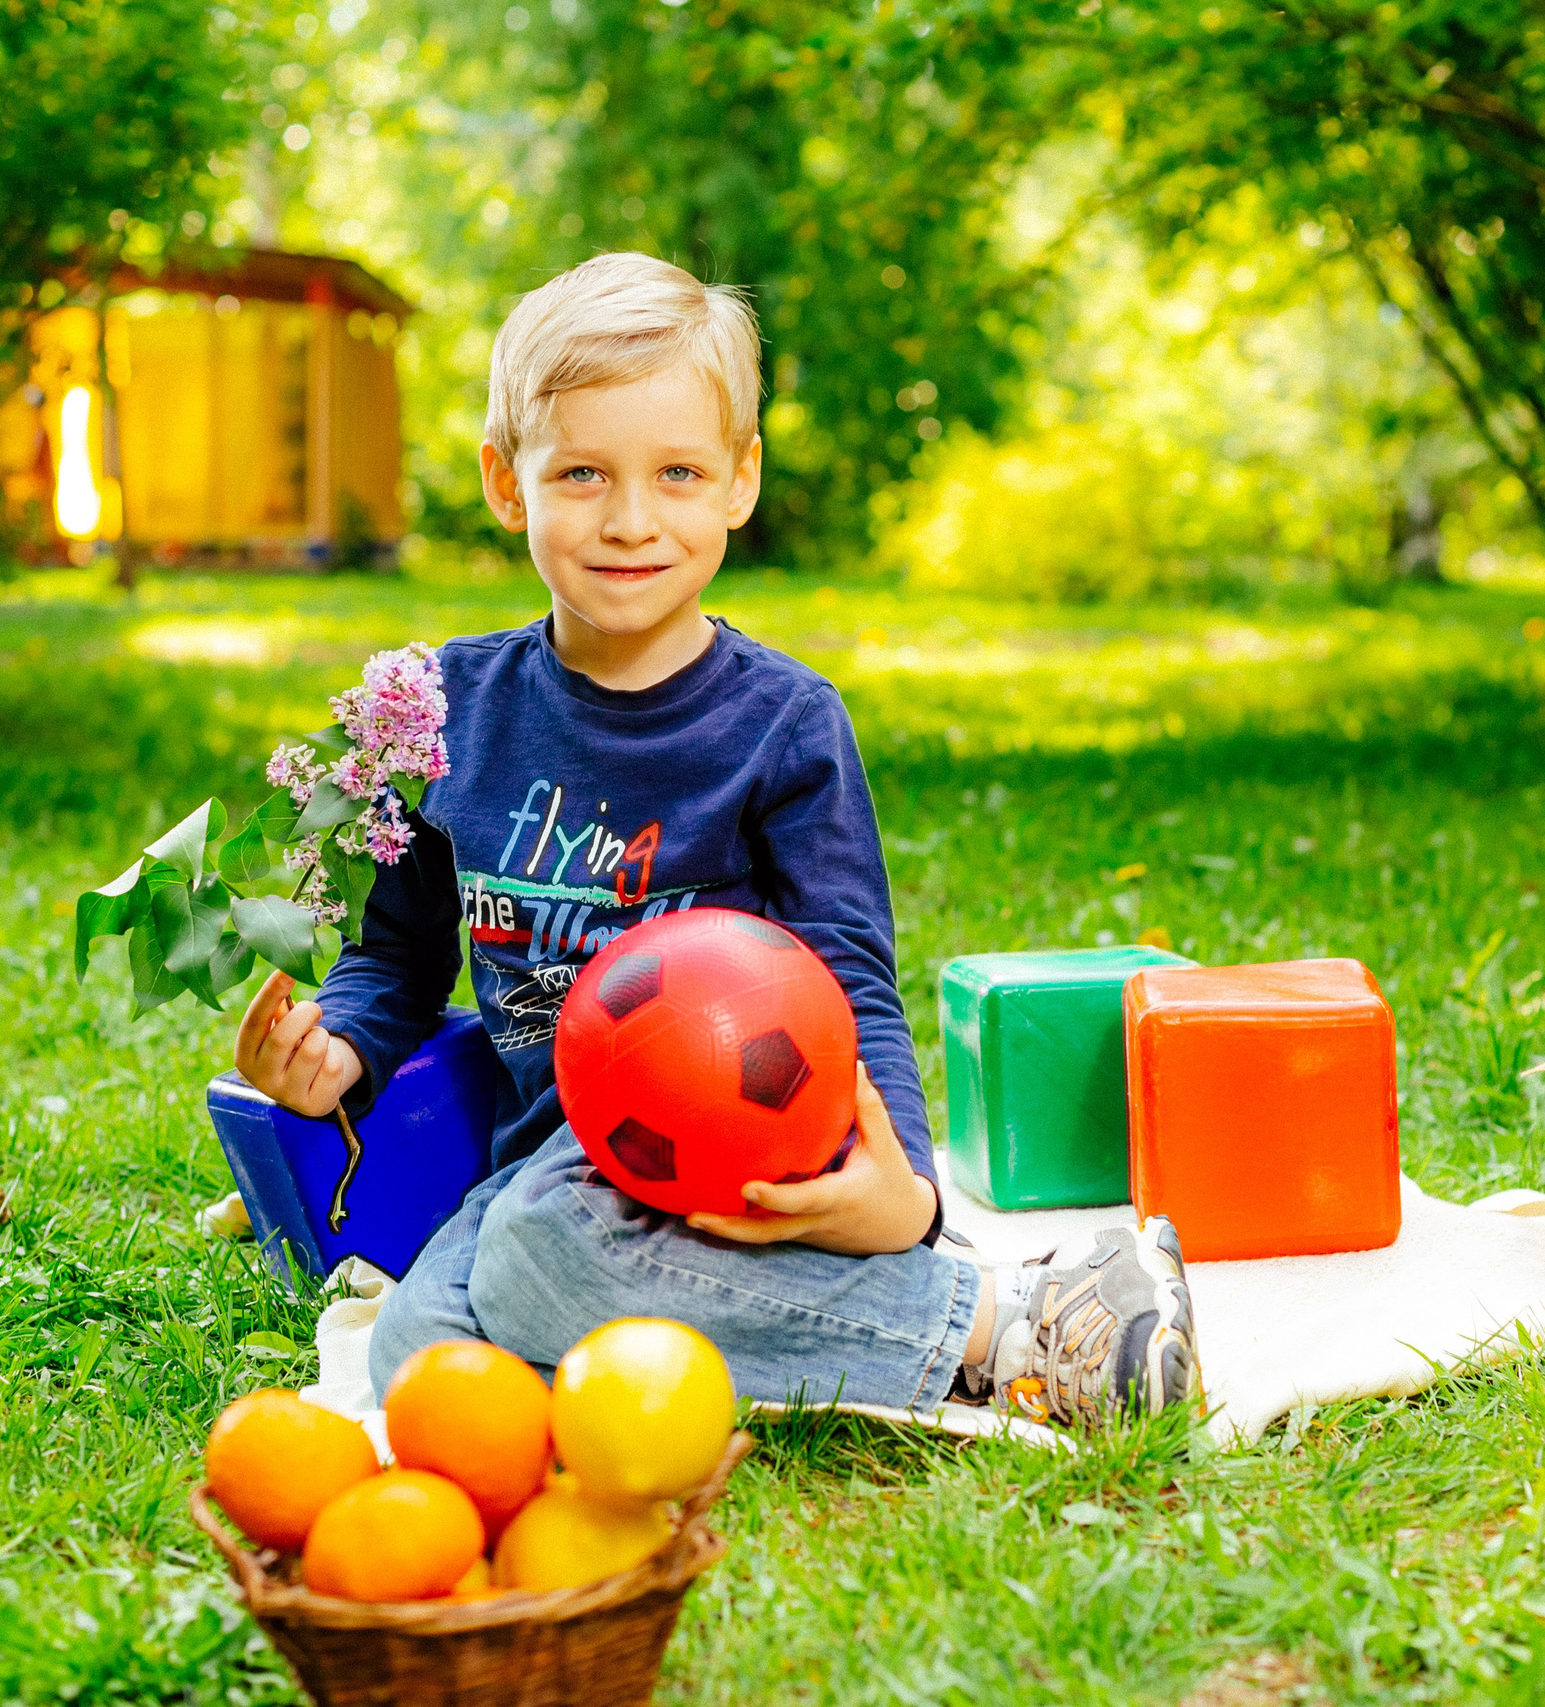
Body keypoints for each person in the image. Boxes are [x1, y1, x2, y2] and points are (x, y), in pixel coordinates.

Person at [231, 251, 1195, 1427]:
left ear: (739, 481)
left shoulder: (784, 725)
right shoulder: (445, 712)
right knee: (423, 1366)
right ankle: (795, 1324)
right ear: (504, 481)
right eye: (581, 472)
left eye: (677, 472)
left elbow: (851, 979)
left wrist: (902, 1196)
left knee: (540, 1262)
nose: (631, 520)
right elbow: (397, 957)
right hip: (553, 1162)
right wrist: (342, 1050)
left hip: (734, 1160)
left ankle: (1015, 1319)